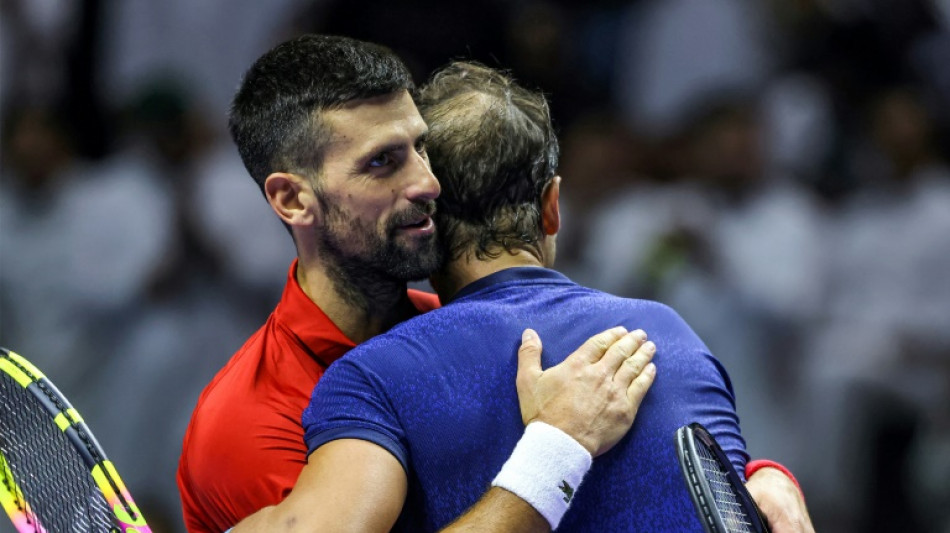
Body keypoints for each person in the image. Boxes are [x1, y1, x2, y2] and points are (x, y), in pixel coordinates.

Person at [181, 34, 810, 532]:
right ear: (293, 200)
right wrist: (556, 447)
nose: (427, 184)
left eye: (421, 148)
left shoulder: (454, 329)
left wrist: (756, 480)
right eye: (382, 162)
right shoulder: (245, 422)